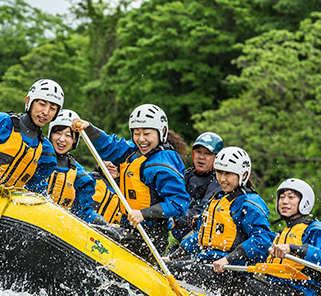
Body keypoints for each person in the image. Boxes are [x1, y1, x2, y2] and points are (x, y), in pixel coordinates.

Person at [73, 104, 190, 258]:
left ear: (162, 132)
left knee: (94, 233)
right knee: (91, 227)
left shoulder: (163, 164)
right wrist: (89, 129)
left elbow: (179, 202)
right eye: (136, 133)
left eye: (147, 134)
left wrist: (143, 214)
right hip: (130, 229)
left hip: (150, 237)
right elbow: (111, 146)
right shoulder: (134, 150)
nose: (141, 139)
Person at [215, 178, 321, 296]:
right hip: (272, 289)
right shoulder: (279, 235)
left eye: (291, 197)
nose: (284, 201)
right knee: (232, 278)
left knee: (237, 285)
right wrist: (227, 259)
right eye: (281, 197)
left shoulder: (315, 229)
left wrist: (293, 249)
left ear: (305, 202)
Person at [166, 147, 274, 295]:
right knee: (167, 265)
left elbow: (263, 239)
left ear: (243, 175)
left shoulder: (248, 203)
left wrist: (228, 260)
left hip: (230, 274)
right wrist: (172, 257)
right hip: (206, 265)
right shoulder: (217, 199)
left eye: (228, 174)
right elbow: (200, 237)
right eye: (219, 172)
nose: (222, 179)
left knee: (170, 270)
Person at [41, 109, 108, 225]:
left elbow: (82, 212)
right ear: (51, 135)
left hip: (55, 227)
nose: (62, 139)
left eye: (68, 135)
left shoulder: (80, 175)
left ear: (74, 140)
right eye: (58, 133)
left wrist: (102, 223)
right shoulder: (36, 157)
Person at [170, 132, 224, 243]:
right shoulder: (186, 174)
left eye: (207, 153)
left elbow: (204, 209)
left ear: (217, 157)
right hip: (182, 239)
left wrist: (176, 219)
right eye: (198, 152)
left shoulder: (220, 181)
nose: (201, 157)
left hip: (204, 241)